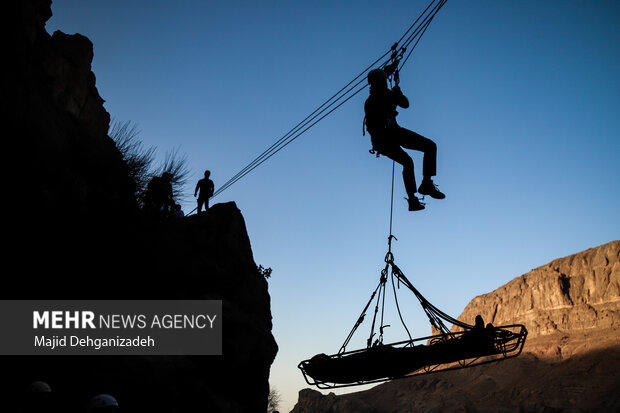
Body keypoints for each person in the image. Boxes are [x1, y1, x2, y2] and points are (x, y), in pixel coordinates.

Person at [364, 68, 445, 211]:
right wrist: (397, 92)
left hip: (387, 137)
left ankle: (416, 195)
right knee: (427, 148)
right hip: (388, 137)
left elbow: (384, 76)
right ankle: (422, 188)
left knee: (411, 160)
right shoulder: (384, 95)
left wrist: (392, 67)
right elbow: (405, 103)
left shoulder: (373, 98)